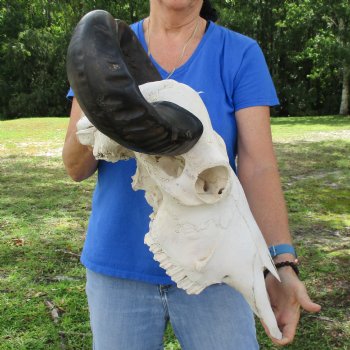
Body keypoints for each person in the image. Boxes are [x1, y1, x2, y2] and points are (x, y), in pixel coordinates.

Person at [63, 1, 321, 349]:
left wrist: (282, 263)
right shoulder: (103, 51)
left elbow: (258, 167)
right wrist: (104, 108)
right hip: (117, 270)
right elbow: (76, 167)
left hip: (217, 266)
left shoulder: (239, 53)